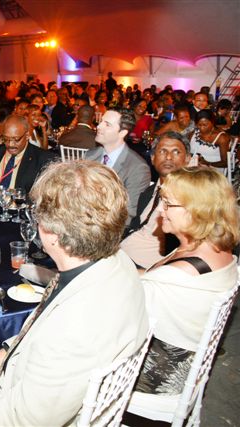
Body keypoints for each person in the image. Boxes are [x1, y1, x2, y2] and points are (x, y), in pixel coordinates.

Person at [0, 160, 149, 426]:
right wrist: (5, 352)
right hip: (43, 380)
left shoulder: (74, 325)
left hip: (27, 407)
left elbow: (26, 418)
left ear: (52, 234)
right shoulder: (118, 262)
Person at [136, 167, 239, 394]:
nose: (160, 210)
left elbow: (126, 312)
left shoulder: (179, 273)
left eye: (168, 204)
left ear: (196, 211)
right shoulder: (218, 251)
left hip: (157, 372)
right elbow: (151, 277)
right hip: (187, 359)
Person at [121, 132, 192, 269]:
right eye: (162, 151)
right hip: (123, 254)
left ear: (187, 159)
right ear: (153, 158)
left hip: (148, 268)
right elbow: (135, 225)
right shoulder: (149, 191)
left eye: (176, 152)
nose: (169, 157)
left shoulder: (189, 198)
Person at [85, 108, 151, 224]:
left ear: (122, 133)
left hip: (109, 227)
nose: (99, 126)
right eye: (101, 121)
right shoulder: (91, 155)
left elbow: (128, 214)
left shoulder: (137, 168)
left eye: (107, 124)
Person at [0, 114, 54, 194]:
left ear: (27, 135)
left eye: (16, 139)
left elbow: (45, 195)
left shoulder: (42, 159)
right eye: (6, 139)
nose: (10, 144)